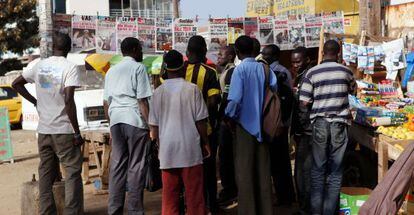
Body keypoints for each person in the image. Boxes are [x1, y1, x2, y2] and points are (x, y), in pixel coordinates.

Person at [12, 33, 84, 214]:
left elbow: (16, 84)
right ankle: (71, 212)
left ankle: (46, 211)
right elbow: (68, 100)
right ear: (68, 49)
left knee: (45, 174)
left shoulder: (39, 66)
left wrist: (35, 101)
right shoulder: (70, 68)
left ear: (53, 48)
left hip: (44, 131)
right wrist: (76, 132)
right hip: (64, 130)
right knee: (72, 173)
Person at [149, 50, 211, 215]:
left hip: (167, 152)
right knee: (195, 198)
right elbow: (201, 122)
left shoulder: (157, 93)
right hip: (190, 150)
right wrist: (205, 142)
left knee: (170, 200)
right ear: (183, 66)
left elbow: (153, 129)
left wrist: (156, 146)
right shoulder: (192, 90)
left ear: (165, 68)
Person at [299, 40, 356, 215]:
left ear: (323, 52)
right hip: (339, 123)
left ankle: (317, 211)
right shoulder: (346, 72)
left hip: (320, 124)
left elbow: (303, 101)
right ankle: (330, 211)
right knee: (336, 170)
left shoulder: (312, 72)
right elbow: (353, 92)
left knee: (318, 169)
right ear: (338, 53)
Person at [225, 35, 277, 215]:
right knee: (263, 172)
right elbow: (274, 90)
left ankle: (248, 211)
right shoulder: (265, 69)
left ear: (237, 52)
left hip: (244, 128)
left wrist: (228, 117)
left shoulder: (239, 71)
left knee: (245, 173)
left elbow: (234, 101)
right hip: (264, 126)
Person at [103, 37, 152, 215]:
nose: (142, 52)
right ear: (133, 49)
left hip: (116, 121)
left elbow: (105, 103)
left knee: (117, 167)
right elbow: (142, 101)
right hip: (135, 121)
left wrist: (111, 125)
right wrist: (151, 127)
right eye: (140, 49)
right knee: (136, 167)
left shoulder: (111, 72)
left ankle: (114, 210)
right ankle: (134, 211)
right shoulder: (139, 68)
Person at [183, 35, 221, 213]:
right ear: (205, 52)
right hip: (204, 129)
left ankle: (188, 205)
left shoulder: (174, 71)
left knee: (184, 170)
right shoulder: (210, 72)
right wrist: (210, 120)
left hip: (179, 131)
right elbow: (213, 101)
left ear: (187, 52)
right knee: (208, 171)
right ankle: (211, 205)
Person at [261, 44, 296, 206]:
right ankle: (284, 194)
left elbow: (285, 99)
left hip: (278, 122)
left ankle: (285, 196)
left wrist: (281, 122)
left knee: (279, 161)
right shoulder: (281, 71)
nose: (264, 58)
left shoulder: (278, 72)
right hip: (280, 122)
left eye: (266, 55)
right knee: (280, 160)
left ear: (273, 56)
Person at [290, 47, 313, 215]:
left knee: (304, 171)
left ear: (307, 60)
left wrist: (303, 130)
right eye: (293, 62)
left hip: (307, 132)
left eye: (298, 62)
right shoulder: (299, 76)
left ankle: (306, 208)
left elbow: (304, 108)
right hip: (301, 131)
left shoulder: (308, 76)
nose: (295, 65)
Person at [216, 46, 238, 208]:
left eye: (220, 54)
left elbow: (227, 98)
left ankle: (229, 189)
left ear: (230, 57)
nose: (218, 57)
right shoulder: (225, 71)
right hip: (226, 121)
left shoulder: (231, 72)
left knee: (226, 157)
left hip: (226, 121)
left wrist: (224, 119)